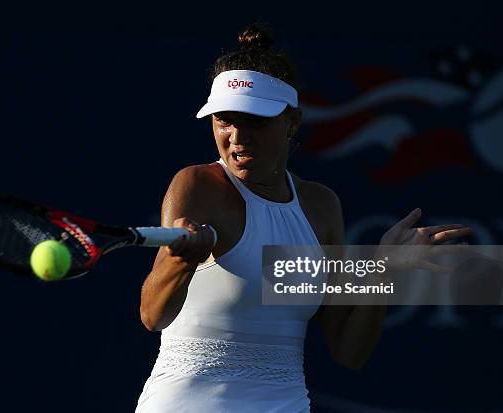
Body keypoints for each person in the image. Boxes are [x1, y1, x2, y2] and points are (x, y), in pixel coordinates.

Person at [135, 24, 471, 412]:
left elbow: (349, 352)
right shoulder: (197, 185)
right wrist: (181, 260)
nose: (237, 137)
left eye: (256, 121)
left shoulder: (321, 205)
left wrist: (382, 272)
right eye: (223, 120)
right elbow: (153, 315)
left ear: (292, 122)